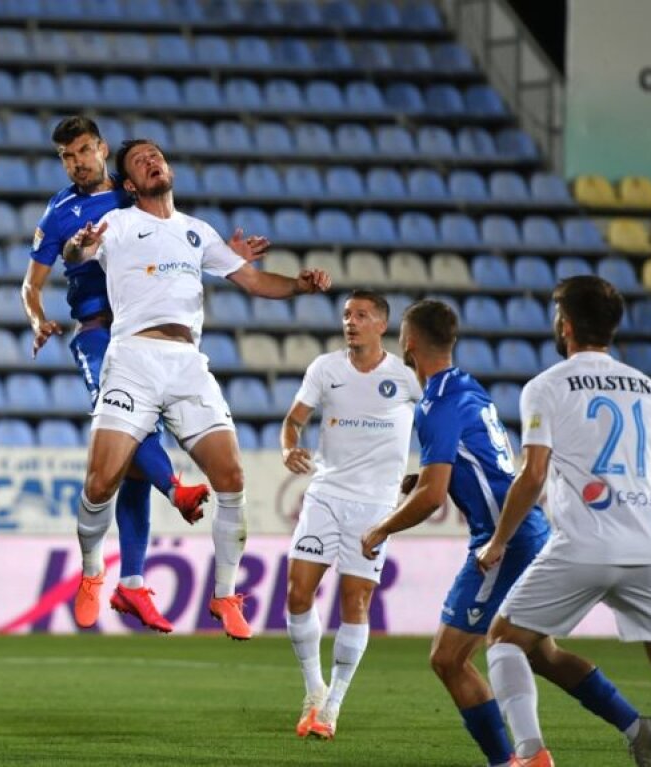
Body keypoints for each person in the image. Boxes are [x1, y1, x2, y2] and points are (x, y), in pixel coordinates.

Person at [63, 138, 331, 642]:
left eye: (155, 155)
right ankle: (93, 572)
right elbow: (76, 251)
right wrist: (80, 244)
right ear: (129, 185)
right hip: (133, 359)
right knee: (100, 482)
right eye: (139, 161)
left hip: (187, 363)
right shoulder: (117, 225)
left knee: (231, 476)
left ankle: (225, 594)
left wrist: (299, 285)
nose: (151, 160)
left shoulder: (196, 232)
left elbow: (252, 281)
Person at [477, 275, 651, 767]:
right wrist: (642, 534)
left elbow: (531, 476)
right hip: (648, 550)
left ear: (565, 325)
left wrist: (499, 541)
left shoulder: (546, 387)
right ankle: (636, 729)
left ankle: (530, 755)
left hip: (582, 545)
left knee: (506, 638)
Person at [23, 116, 224, 633]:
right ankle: (167, 500)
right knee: (135, 443)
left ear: (103, 149)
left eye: (85, 151)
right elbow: (32, 283)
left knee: (135, 453)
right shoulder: (62, 211)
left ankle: (130, 584)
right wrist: (38, 317)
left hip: (149, 337)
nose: (78, 162)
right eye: (68, 157)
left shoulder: (138, 197)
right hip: (99, 334)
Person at [359, 299, 550, 765]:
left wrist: (380, 530)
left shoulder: (434, 403)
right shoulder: (469, 386)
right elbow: (477, 462)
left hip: (501, 540)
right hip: (522, 529)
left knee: (449, 657)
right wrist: (424, 477)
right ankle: (617, 726)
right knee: (539, 654)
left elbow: (431, 498)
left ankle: (515, 760)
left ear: (409, 344)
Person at [280, 290, 421, 740]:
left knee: (354, 602)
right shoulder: (326, 368)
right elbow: (293, 420)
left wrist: (427, 471)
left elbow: (440, 423)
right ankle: (314, 690)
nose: (351, 322)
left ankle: (333, 706)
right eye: (346, 315)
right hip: (325, 493)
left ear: (382, 324)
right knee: (298, 594)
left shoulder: (405, 377)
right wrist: (288, 447)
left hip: (375, 505)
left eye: (361, 315)